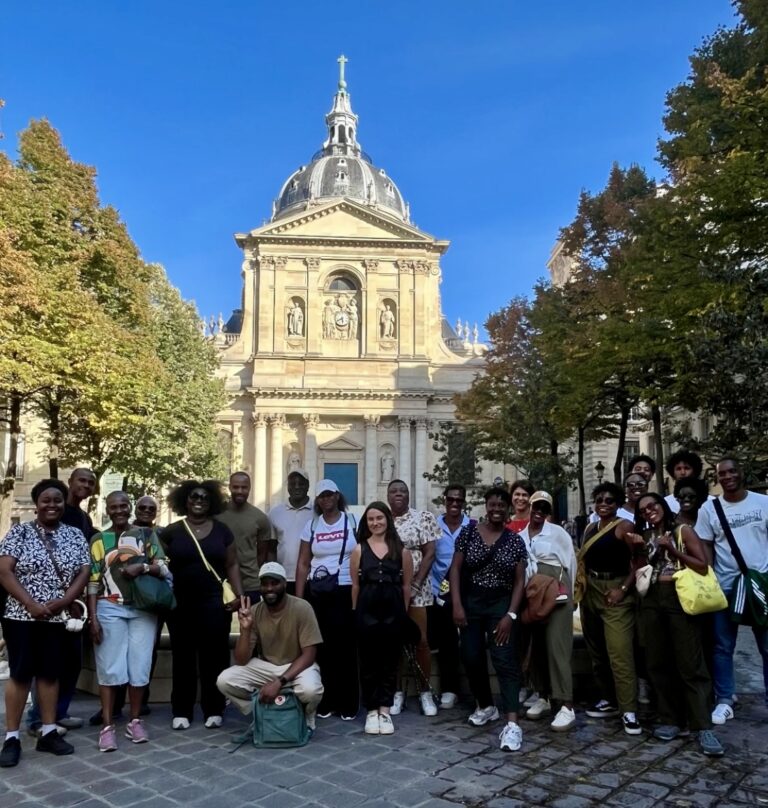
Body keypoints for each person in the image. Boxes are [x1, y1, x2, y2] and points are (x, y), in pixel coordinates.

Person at [0, 479, 90, 768]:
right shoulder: (20, 532)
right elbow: (4, 571)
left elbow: (84, 572)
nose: (52, 505)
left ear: (64, 504)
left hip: (57, 618)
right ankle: (11, 737)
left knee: (51, 674)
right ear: (37, 503)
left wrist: (63, 602)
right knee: (21, 674)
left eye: (57, 500)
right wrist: (30, 603)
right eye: (46, 500)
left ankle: (48, 732)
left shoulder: (75, 535)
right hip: (20, 616)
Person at [628, 493, 723, 756]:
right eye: (644, 510)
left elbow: (703, 566)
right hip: (652, 600)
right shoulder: (646, 537)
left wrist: (671, 549)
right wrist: (637, 549)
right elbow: (639, 569)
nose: (649, 512)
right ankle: (669, 719)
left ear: (663, 506)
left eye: (653, 506)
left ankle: (702, 726)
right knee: (658, 662)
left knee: (690, 663)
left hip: (679, 598)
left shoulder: (683, 530)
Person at [87, 492, 169, 752]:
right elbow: (93, 581)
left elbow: (164, 567)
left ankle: (135, 720)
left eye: (124, 506)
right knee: (110, 667)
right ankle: (108, 726)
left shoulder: (145, 535)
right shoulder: (99, 539)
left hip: (143, 609)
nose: (120, 510)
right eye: (114, 507)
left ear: (130, 507)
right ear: (108, 510)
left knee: (140, 666)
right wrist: (93, 618)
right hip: (109, 607)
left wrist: (142, 568)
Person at [449, 487, 527, 752]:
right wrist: (457, 604)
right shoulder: (469, 532)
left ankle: (512, 724)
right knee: (470, 656)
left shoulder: (515, 541)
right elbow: (456, 569)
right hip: (471, 603)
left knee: (504, 660)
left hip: (500, 605)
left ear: (507, 509)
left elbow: (519, 581)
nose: (497, 509)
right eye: (492, 504)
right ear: (486, 505)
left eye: (501, 505)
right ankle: (486, 705)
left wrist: (510, 615)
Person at [161, 480, 243, 730]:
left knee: (215, 657)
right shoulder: (171, 531)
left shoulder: (223, 531)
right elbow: (160, 565)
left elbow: (232, 565)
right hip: (180, 605)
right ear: (185, 500)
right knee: (183, 658)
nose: (198, 501)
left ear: (212, 502)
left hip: (214, 604)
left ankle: (214, 708)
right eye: (194, 497)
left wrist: (238, 596)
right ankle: (182, 710)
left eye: (204, 498)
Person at [694, 457, 768, 725]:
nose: (727, 477)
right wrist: (709, 579)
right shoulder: (710, 509)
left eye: (732, 471)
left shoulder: (763, 503)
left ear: (741, 472)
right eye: (722, 473)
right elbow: (706, 547)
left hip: (760, 587)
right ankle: (725, 699)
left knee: (767, 647)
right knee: (722, 647)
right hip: (726, 587)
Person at [26, 467, 98, 737]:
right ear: (70, 482)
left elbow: (87, 557)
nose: (86, 485)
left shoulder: (82, 517)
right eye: (81, 480)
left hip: (73, 602)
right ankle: (36, 719)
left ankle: (59, 712)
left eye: (91, 482)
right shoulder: (55, 512)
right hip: (48, 601)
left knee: (72, 661)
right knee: (47, 662)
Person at [216, 563, 324, 731]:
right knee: (224, 680)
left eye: (274, 583)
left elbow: (309, 654)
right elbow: (241, 660)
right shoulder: (254, 610)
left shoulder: (302, 608)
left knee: (311, 690)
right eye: (265, 584)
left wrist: (279, 682)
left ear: (284, 584)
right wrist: (245, 629)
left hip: (296, 665)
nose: (269, 588)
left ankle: (306, 712)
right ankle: (263, 712)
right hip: (266, 667)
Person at [580, 482, 641, 735]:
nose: (604, 504)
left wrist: (623, 589)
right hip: (591, 591)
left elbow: (638, 563)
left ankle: (629, 709)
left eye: (609, 500)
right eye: (600, 500)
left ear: (617, 504)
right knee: (597, 650)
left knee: (620, 652)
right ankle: (609, 699)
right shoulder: (590, 528)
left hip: (615, 590)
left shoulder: (624, 527)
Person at [295, 480, 359, 720]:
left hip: (345, 589)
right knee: (323, 648)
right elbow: (302, 563)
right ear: (318, 500)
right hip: (318, 592)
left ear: (337, 496)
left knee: (346, 648)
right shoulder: (312, 525)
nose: (326, 499)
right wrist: (300, 599)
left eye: (330, 495)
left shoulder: (352, 521)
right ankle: (327, 701)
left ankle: (348, 703)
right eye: (321, 496)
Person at [350, 503, 413, 735]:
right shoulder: (359, 550)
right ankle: (371, 710)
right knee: (368, 663)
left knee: (389, 662)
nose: (375, 523)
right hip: (366, 612)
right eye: (370, 519)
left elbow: (406, 586)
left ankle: (385, 710)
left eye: (379, 518)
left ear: (387, 519)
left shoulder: (401, 551)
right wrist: (355, 613)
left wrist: (403, 614)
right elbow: (355, 586)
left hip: (393, 613)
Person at [519, 491, 577, 731]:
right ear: (530, 507)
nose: (539, 512)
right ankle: (543, 695)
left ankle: (566, 704)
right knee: (537, 646)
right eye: (536, 507)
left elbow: (570, 563)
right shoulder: (521, 536)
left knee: (557, 646)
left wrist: (569, 596)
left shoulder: (558, 533)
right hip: (531, 591)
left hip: (555, 589)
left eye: (544, 508)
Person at [386, 479, 441, 716]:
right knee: (394, 642)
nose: (398, 494)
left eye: (403, 491)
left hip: (418, 589)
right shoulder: (381, 519)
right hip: (391, 590)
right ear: (387, 496)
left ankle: (425, 691)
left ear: (409, 495)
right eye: (393, 491)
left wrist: (416, 582)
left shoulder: (423, 518)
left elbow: (429, 552)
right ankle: (397, 692)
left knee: (421, 641)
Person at [429, 485, 471, 710]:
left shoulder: (471, 527)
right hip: (440, 592)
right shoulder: (434, 526)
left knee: (470, 642)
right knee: (446, 643)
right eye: (451, 500)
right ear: (444, 501)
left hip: (465, 593)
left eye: (459, 501)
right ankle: (449, 689)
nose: (454, 504)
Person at [217, 471, 275, 603]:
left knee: (251, 622)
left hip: (250, 583)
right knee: (220, 623)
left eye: (244, 487)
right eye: (236, 487)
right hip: (222, 580)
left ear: (249, 488)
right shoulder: (217, 514)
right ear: (230, 487)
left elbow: (262, 553)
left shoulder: (260, 518)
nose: (240, 491)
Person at [269, 470, 313, 595]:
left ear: (308, 486)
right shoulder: (275, 513)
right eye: (292, 484)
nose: (297, 487)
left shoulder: (317, 511)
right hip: (283, 578)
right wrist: (273, 574)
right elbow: (272, 548)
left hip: (311, 578)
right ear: (287, 487)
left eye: (301, 483)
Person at [664, 450, 705, 514]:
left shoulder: (709, 500)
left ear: (695, 471)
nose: (683, 473)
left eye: (687, 468)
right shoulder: (665, 503)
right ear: (672, 473)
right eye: (678, 469)